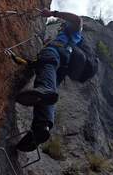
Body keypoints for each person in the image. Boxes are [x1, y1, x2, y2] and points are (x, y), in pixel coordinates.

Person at [15, 8, 82, 152]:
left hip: (53, 54)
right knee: (43, 95)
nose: (59, 29)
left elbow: (77, 20)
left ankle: (44, 92)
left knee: (44, 87)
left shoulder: (71, 33)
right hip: (59, 66)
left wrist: (53, 14)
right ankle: (41, 126)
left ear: (64, 26)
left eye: (61, 26)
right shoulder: (68, 42)